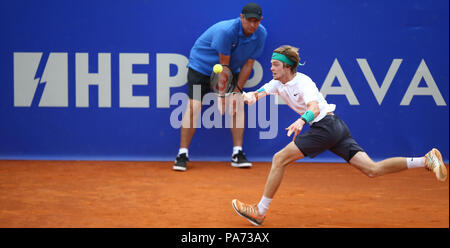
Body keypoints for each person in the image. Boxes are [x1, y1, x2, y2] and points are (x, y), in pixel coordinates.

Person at [231, 45, 448, 226]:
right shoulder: (277, 83)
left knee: (279, 158)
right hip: (336, 127)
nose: (271, 67)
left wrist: (301, 120)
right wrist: (248, 97)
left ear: (287, 66)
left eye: (275, 64)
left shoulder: (304, 83)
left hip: (324, 126)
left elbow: (314, 108)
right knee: (372, 169)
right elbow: (259, 94)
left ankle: (260, 211)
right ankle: (425, 160)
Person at [173, 3, 267, 171]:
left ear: (261, 20)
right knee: (194, 106)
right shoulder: (226, 31)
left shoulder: (261, 34)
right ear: (241, 18)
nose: (252, 25)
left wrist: (236, 90)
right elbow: (223, 66)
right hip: (200, 69)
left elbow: (248, 64)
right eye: (249, 20)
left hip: (229, 70)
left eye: (256, 21)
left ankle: (237, 154)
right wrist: (222, 96)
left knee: (237, 103)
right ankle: (182, 154)